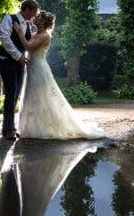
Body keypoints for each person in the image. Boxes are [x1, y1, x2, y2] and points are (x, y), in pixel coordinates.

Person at [13, 11, 105, 139]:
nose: (35, 17)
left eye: (38, 17)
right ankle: (29, 128)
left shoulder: (46, 36)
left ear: (43, 22)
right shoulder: (35, 33)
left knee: (41, 97)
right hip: (31, 68)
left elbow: (28, 46)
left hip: (39, 69)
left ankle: (44, 128)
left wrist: (19, 33)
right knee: (30, 96)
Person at [0, 0, 40, 140]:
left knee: (16, 94)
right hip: (6, 60)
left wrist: (25, 56)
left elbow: (26, 43)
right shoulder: (9, 18)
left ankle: (10, 127)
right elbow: (4, 38)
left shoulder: (28, 25)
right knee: (11, 93)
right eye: (33, 13)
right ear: (27, 9)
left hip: (20, 63)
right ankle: (7, 129)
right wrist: (18, 56)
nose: (34, 16)